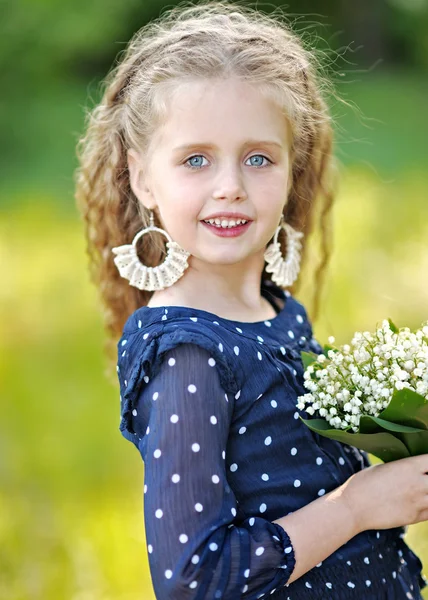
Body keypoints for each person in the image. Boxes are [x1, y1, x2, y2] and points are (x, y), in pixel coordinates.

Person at [74, 2, 428, 598]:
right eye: (195, 160)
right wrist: (356, 506)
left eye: (259, 157)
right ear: (143, 179)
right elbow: (194, 579)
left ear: (293, 170)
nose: (230, 187)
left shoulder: (278, 311)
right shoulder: (186, 352)